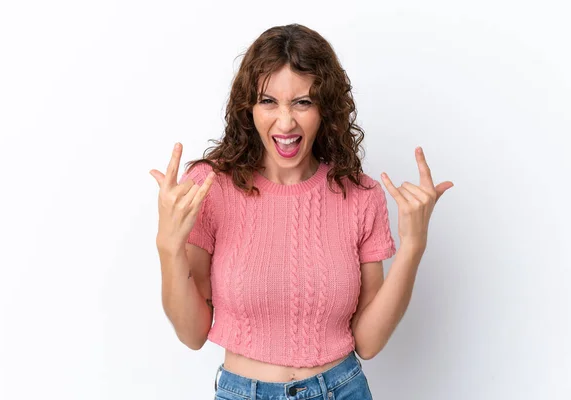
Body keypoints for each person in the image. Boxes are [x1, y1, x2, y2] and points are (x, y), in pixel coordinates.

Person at [149, 23, 453, 400]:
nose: (286, 121)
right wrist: (168, 245)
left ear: (325, 108)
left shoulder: (361, 195)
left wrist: (413, 246)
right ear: (249, 108)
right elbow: (191, 333)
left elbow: (368, 343)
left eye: (303, 102)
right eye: (268, 101)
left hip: (342, 389)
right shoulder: (211, 187)